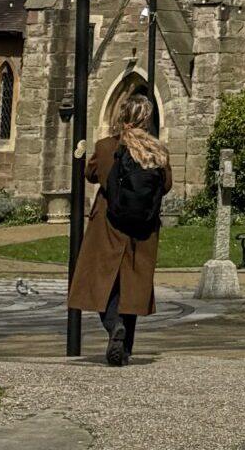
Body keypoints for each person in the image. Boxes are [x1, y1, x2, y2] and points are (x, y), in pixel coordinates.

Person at [67, 89, 171, 366]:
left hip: (108, 224)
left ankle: (114, 325)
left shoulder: (105, 147)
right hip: (143, 230)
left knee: (101, 281)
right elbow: (167, 185)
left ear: (122, 116)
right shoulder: (158, 152)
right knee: (132, 287)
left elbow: (90, 174)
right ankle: (124, 350)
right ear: (147, 120)